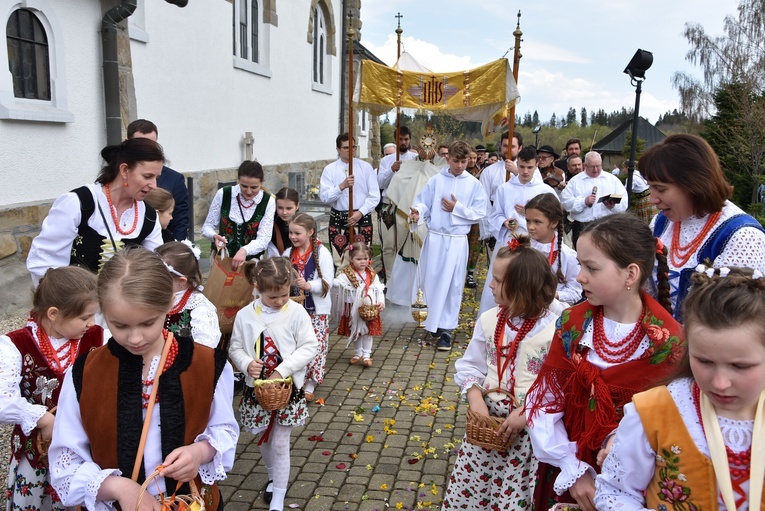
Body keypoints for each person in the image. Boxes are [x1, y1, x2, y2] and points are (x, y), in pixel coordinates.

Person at [49, 247, 239, 511]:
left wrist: (201, 452)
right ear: (103, 313)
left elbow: (224, 430)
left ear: (169, 304)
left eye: (148, 323)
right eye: (120, 326)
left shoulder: (206, 364)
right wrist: (120, 488)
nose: (135, 338)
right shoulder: (86, 373)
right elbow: (65, 462)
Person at [525, 213, 685, 511]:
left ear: (630, 273)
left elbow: (674, 424)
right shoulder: (573, 323)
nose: (580, 276)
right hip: (570, 468)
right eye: (581, 265)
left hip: (637, 482)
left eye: (591, 268)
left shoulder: (668, 343)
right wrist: (572, 471)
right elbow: (544, 403)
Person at [595, 265, 765, 511]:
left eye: (740, 366)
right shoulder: (657, 411)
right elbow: (616, 491)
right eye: (704, 361)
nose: (720, 383)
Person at [442, 238, 559, 510]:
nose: (490, 285)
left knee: (513, 493)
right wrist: (475, 398)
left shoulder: (555, 328)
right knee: (474, 490)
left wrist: (528, 410)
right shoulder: (490, 320)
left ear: (521, 288)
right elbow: (471, 365)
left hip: (527, 432)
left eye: (496, 279)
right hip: (487, 428)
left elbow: (558, 383)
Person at [1, 266, 102, 511]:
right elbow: (2, 401)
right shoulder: (14, 345)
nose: (91, 323)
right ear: (54, 313)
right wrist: (43, 419)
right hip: (37, 453)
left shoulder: (99, 338)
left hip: (85, 448)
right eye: (84, 317)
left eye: (94, 316)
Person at [642, 133, 765, 320]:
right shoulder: (662, 223)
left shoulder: (742, 237)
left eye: (661, 189)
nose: (653, 199)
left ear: (694, 185)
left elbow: (734, 322)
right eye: (650, 188)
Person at [229, 257, 318, 511]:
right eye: (272, 297)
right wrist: (246, 363)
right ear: (257, 288)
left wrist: (282, 369)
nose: (279, 301)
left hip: (286, 390)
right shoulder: (245, 315)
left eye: (284, 295)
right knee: (264, 439)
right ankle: (272, 476)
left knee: (279, 442)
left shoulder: (296, 312)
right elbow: (234, 346)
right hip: (257, 390)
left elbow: (310, 346)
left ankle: (278, 497)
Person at [27, 138, 164, 286]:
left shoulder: (148, 217)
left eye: (156, 178)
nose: (154, 185)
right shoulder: (79, 203)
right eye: (147, 176)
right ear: (124, 170)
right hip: (73, 303)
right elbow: (45, 261)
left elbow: (154, 270)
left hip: (122, 307)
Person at [409, 140, 488, 351]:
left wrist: (457, 208)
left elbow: (480, 212)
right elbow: (423, 202)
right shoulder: (436, 180)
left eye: (464, 161)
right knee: (432, 281)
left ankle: (447, 329)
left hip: (455, 241)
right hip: (435, 238)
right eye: (456, 161)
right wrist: (418, 212)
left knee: (453, 285)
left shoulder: (473, 184)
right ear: (447, 158)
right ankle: (432, 323)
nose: (460, 165)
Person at [478, 146, 558, 315]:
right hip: (508, 239)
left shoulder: (545, 191)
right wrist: (504, 221)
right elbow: (494, 214)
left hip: (533, 242)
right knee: (504, 277)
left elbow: (555, 217)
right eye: (521, 166)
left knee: (527, 279)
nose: (525, 171)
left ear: (536, 165)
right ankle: (496, 316)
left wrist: (531, 213)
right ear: (517, 164)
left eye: (529, 167)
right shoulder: (504, 189)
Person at [283, 213, 333, 401]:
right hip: (294, 309)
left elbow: (328, 281)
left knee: (316, 346)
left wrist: (310, 286)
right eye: (291, 233)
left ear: (311, 232)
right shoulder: (288, 254)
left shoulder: (322, 253)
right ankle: (298, 381)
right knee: (296, 346)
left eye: (297, 233)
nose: (293, 237)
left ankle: (311, 383)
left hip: (316, 311)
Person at [202, 160, 276, 270]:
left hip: (250, 263)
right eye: (244, 186)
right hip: (222, 259)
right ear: (238, 181)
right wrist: (214, 236)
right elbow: (207, 227)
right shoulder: (224, 194)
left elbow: (264, 239)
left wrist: (244, 250)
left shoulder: (268, 202)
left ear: (262, 182)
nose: (249, 191)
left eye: (254, 187)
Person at [320, 133, 380, 267]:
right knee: (340, 262)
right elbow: (324, 197)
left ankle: (363, 287)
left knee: (362, 261)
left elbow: (375, 196)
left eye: (353, 147)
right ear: (338, 149)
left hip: (361, 218)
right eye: (346, 147)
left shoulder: (365, 167)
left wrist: (361, 212)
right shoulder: (330, 170)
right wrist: (341, 186)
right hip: (339, 220)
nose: (350, 150)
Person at [127, 119, 190, 241]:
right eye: (140, 144)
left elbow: (180, 222)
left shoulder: (174, 179)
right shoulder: (118, 177)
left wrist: (176, 252)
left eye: (151, 144)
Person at [156, 241, 221, 348]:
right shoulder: (154, 297)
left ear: (182, 281)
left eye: (160, 278)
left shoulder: (200, 308)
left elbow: (203, 350)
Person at [561, 151, 628, 249]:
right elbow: (566, 202)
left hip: (607, 225)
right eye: (592, 166)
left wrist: (613, 205)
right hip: (583, 227)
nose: (595, 169)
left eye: (598, 166)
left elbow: (624, 201)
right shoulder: (575, 181)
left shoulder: (612, 180)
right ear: (585, 165)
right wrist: (583, 202)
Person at [377, 126, 419, 283]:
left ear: (410, 140)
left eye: (406, 139)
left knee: (403, 244)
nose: (403, 142)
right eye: (400, 139)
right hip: (388, 206)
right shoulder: (386, 160)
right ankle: (389, 280)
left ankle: (403, 282)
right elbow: (380, 183)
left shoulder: (414, 159)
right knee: (388, 245)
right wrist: (391, 170)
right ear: (395, 140)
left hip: (405, 206)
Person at [525, 193, 582, 307]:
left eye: (537, 222)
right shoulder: (521, 248)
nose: (530, 227)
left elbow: (576, 292)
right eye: (528, 221)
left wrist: (553, 295)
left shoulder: (568, 256)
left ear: (554, 222)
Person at [333, 242, 385, 367]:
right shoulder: (346, 274)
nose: (363, 262)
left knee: (367, 332)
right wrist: (331, 282)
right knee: (356, 331)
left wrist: (381, 301)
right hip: (353, 307)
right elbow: (338, 283)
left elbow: (378, 288)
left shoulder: (372, 274)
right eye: (359, 259)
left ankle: (367, 355)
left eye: (366, 259)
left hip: (369, 307)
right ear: (351, 259)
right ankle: (358, 353)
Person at [465, 147, 483, 289]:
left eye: (474, 158)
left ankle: (470, 272)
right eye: (469, 158)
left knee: (474, 244)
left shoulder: (480, 173)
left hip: (474, 215)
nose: (472, 160)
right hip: (460, 213)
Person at [268, 187, 300, 257]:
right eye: (280, 208)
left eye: (289, 208)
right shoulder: (271, 223)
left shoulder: (304, 224)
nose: (284, 212)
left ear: (297, 206)